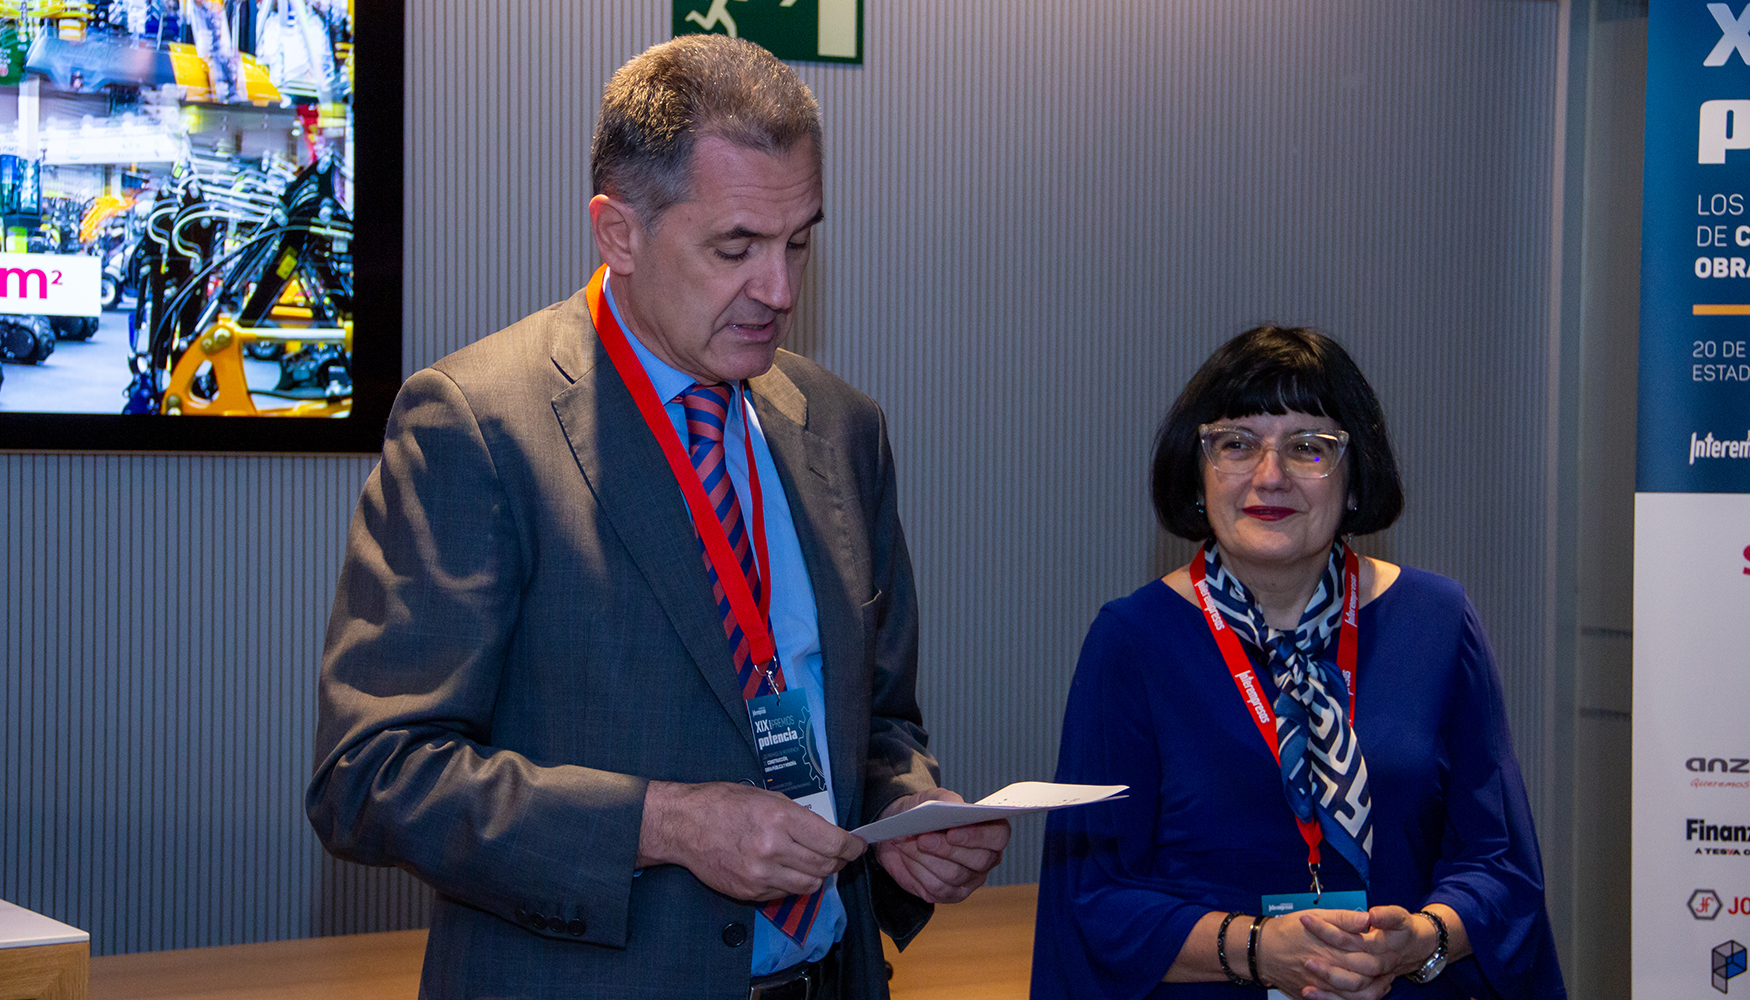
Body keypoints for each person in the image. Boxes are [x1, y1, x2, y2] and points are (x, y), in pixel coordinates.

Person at [306, 35, 1008, 1000]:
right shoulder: (478, 425)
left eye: (799, 240)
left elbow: (878, 721)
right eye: (736, 247)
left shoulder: (842, 427)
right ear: (618, 232)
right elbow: (373, 774)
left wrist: (910, 812)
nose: (781, 291)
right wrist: (664, 824)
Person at [1030, 327, 1565, 999]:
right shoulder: (1133, 641)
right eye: (1236, 444)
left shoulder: (1437, 621)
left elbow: (1502, 866)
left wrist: (1421, 940)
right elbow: (1094, 899)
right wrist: (1254, 948)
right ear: (1198, 474)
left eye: (1310, 447)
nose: (1270, 475)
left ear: (1355, 476)